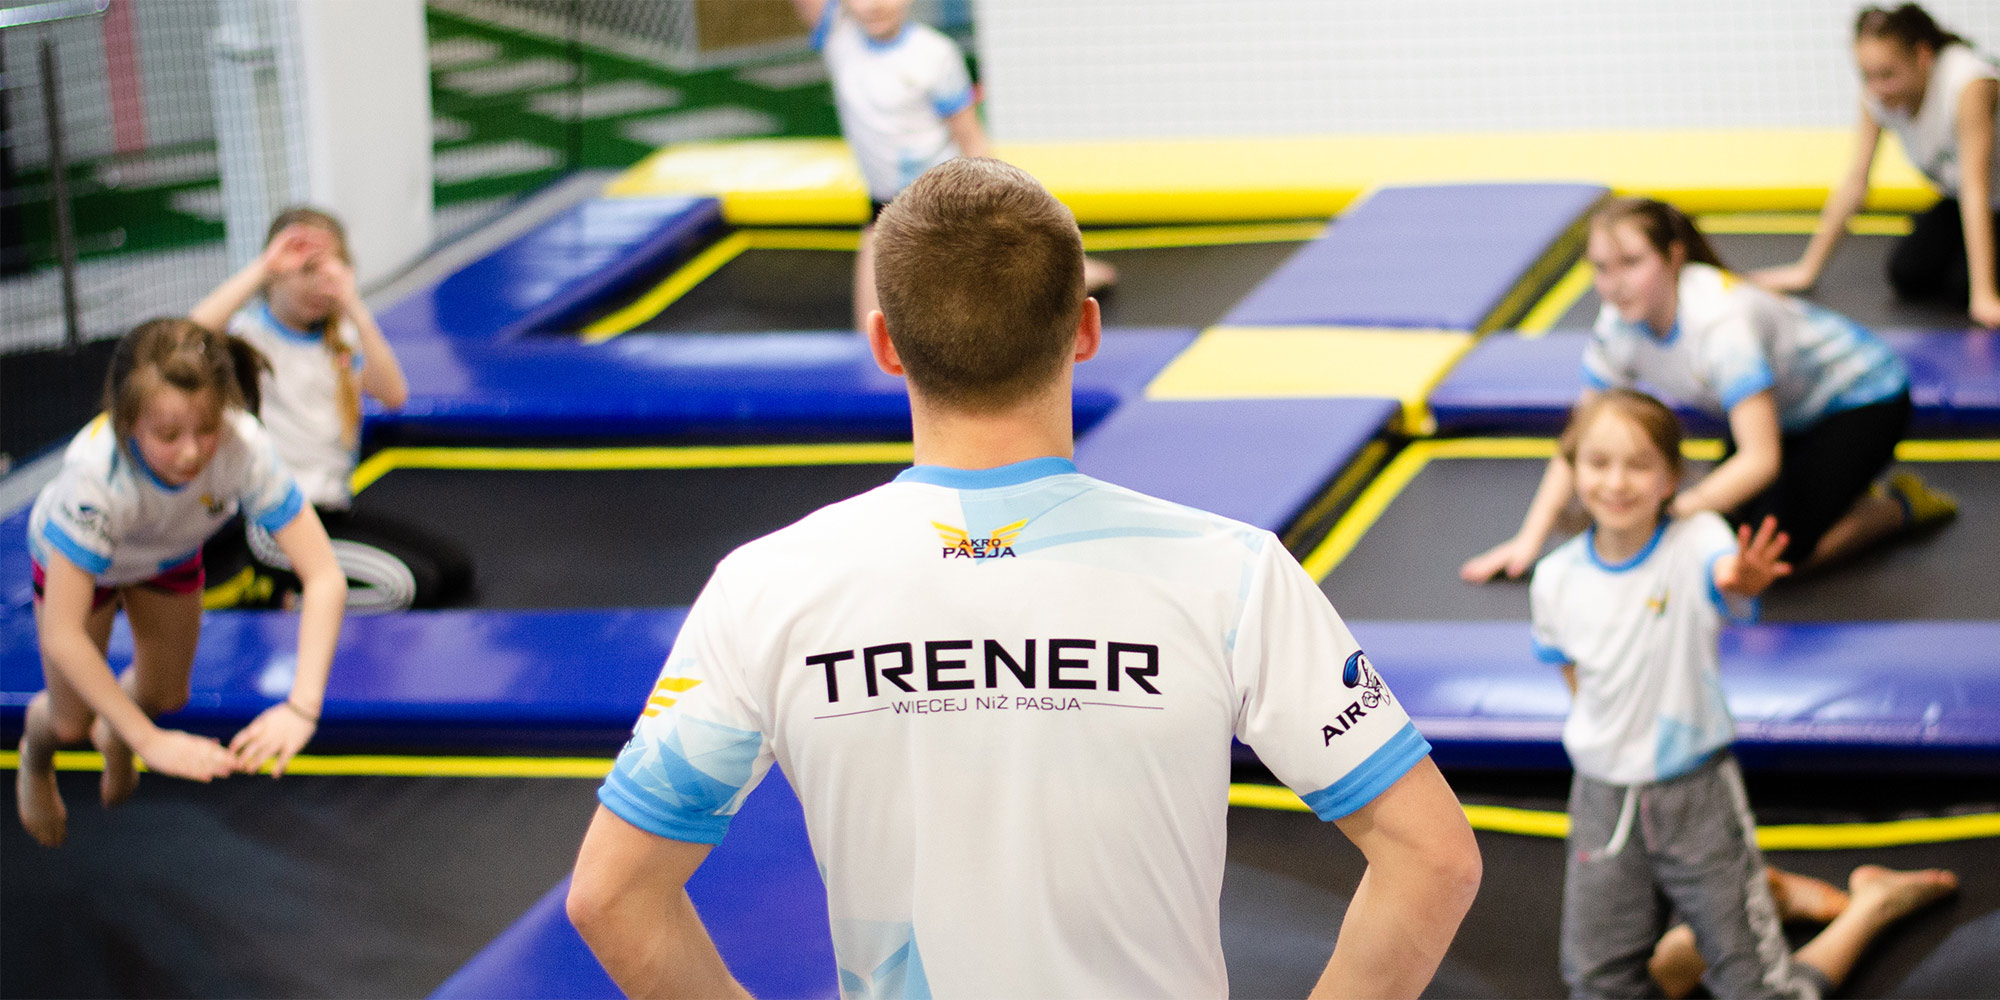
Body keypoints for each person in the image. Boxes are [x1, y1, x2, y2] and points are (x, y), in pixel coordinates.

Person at [565, 158, 1482, 998]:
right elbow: (1433, 860)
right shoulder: (1230, 574)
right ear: (1085, 328)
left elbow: (612, 897)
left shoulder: (766, 588)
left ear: (886, 344)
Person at [1530, 388, 1957, 999]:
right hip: (1602, 799)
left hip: (1695, 796)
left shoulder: (1694, 541)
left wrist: (1742, 578)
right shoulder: (1555, 579)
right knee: (1596, 985)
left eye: (1639, 465)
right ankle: (1757, 903)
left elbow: (1726, 574)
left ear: (1671, 477)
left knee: (1759, 992)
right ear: (1572, 469)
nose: (1617, 482)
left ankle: (1872, 905)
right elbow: (1573, 676)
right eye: (1599, 463)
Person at [1461, 197, 1955, 585]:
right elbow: (1579, 438)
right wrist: (1529, 540)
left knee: (1770, 561)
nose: (1614, 285)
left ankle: (1899, 506)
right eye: (1601, 268)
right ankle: (1832, 487)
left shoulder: (1721, 328)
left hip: (1863, 397)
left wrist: (1667, 514)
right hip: (1783, 414)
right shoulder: (1618, 324)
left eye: (1631, 263)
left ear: (1673, 257)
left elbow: (1761, 460)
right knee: (1727, 528)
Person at [16, 318, 347, 848]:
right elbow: (62, 635)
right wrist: (149, 741)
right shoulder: (95, 480)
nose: (191, 453)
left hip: (166, 553)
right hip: (80, 562)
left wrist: (302, 707)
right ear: (128, 422)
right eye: (168, 436)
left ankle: (116, 732)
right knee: (70, 723)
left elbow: (324, 574)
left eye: (206, 429)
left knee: (166, 694)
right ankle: (35, 760)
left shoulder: (242, 447)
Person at [191, 207, 469, 612]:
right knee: (409, 589)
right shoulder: (251, 339)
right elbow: (187, 335)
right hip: (279, 524)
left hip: (332, 513)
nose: (316, 285)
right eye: (305, 270)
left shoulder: (340, 337)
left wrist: (352, 303)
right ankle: (283, 600)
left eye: (327, 271)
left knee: (453, 569)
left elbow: (394, 394)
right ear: (275, 276)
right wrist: (264, 267)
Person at [788, 0, 1116, 331]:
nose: (874, 5)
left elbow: (971, 140)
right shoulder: (839, 38)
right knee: (871, 330)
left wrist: (1002, 208)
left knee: (985, 308)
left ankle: (1072, 272)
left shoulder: (934, 55)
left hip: (940, 207)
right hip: (883, 210)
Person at [1753, 4, 1999, 328]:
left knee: (1961, 287)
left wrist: (1984, 295)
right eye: (1867, 76)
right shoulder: (1877, 95)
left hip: (1982, 195)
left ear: (1923, 56)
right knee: (1908, 272)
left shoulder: (1968, 85)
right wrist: (1806, 269)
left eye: (1887, 75)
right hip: (1962, 198)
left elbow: (1976, 187)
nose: (1876, 87)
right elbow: (1857, 182)